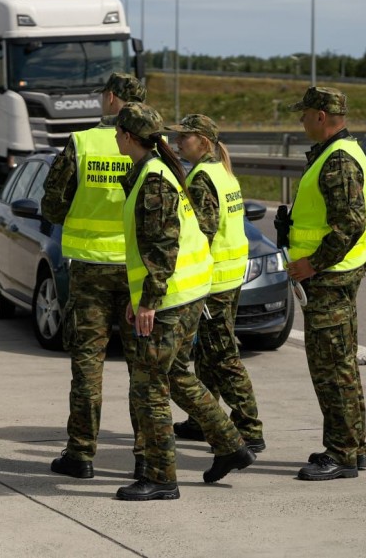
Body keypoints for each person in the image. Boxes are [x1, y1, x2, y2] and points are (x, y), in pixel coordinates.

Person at [114, 102, 255, 501]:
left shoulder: (154, 179)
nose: (115, 138)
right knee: (177, 377)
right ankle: (231, 444)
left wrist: (149, 301)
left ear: (128, 136)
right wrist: (139, 295)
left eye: (118, 132)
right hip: (186, 293)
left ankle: (161, 478)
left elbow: (163, 246)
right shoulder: (158, 171)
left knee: (150, 387)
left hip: (173, 298)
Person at [42, 72, 147, 481]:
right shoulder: (155, 146)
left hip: (90, 269)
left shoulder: (83, 142)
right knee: (144, 369)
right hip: (137, 271)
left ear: (111, 99)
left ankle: (81, 454)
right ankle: (144, 454)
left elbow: (52, 204)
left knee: (88, 363)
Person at [286, 87, 366, 481]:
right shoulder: (342, 153)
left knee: (331, 369)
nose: (301, 120)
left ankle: (340, 453)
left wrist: (312, 263)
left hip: (329, 278)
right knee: (341, 365)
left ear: (321, 115)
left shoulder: (338, 159)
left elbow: (353, 220)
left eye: (305, 114)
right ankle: (353, 446)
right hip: (337, 274)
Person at [163, 114, 265, 454]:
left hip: (216, 281)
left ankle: (249, 428)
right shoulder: (222, 173)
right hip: (230, 276)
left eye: (185, 138)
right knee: (207, 354)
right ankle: (199, 420)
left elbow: (201, 233)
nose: (178, 143)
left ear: (204, 142)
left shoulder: (203, 178)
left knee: (223, 354)